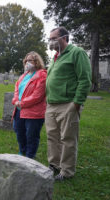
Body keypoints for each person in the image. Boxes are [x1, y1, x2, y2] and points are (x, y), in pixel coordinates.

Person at [46, 27, 91, 181]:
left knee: (68, 139)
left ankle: (67, 171)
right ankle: (54, 165)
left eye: (54, 38)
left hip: (68, 104)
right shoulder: (56, 57)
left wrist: (77, 103)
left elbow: (85, 79)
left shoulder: (77, 53)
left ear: (64, 38)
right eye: (49, 38)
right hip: (52, 103)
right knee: (52, 136)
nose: (51, 41)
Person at [12, 51, 47, 159]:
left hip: (34, 112)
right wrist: (16, 101)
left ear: (36, 62)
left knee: (31, 136)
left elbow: (38, 95)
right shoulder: (24, 75)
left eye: (30, 60)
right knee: (19, 133)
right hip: (19, 109)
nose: (27, 63)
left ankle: (30, 157)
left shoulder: (42, 75)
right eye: (26, 60)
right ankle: (22, 153)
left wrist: (22, 103)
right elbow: (17, 89)